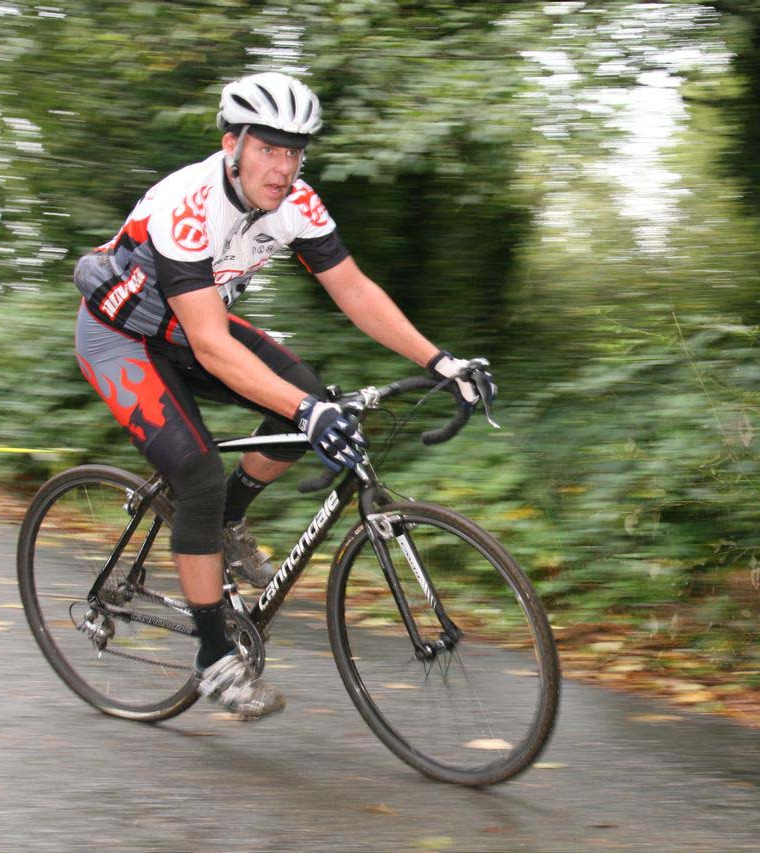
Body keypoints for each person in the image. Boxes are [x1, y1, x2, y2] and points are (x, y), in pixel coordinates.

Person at [71, 71, 495, 719]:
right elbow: (212, 344)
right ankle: (213, 656)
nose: (283, 166)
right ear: (231, 145)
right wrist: (310, 414)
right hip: (120, 334)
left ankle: (227, 519)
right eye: (268, 148)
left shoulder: (296, 200)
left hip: (188, 322)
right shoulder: (189, 205)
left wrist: (442, 361)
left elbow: (353, 290)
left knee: (302, 393)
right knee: (199, 471)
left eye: (295, 151)